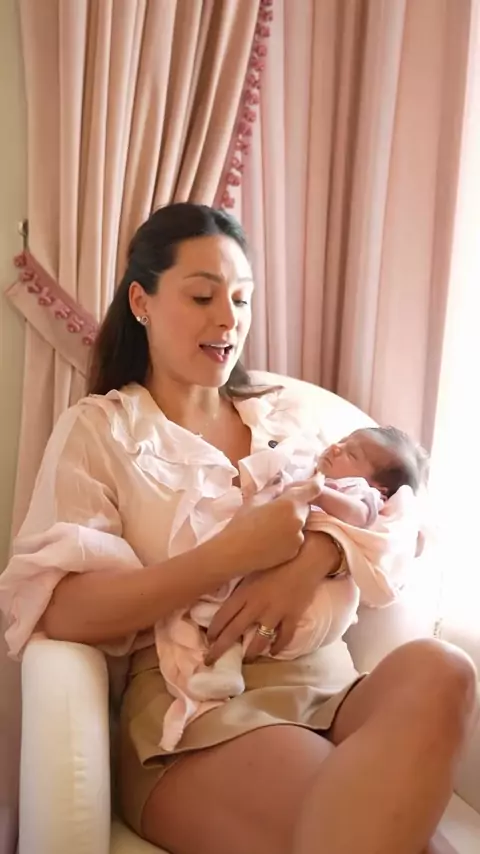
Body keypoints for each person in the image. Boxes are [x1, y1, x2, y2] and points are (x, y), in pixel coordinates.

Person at [0, 203, 476, 854]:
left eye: (242, 299)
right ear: (141, 302)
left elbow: (406, 517)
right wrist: (229, 555)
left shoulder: (288, 418)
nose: (228, 319)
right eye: (203, 296)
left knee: (443, 670)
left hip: (331, 687)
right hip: (199, 712)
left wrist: (317, 555)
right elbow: (59, 610)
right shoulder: (101, 431)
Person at [154, 424, 428, 753]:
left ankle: (226, 661)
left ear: (380, 490)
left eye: (352, 453)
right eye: (342, 441)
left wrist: (317, 494)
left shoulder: (357, 489)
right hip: (268, 595)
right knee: (216, 610)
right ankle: (224, 669)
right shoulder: (311, 466)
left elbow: (361, 516)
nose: (336, 448)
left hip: (311, 621)